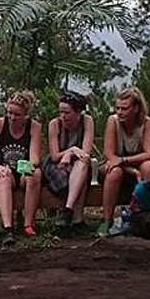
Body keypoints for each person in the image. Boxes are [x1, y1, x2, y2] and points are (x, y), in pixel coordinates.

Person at [0, 91, 43, 244]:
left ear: (25, 115)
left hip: (22, 169)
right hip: (2, 168)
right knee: (4, 177)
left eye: (17, 115)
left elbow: (35, 157)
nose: (12, 118)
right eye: (10, 113)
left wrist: (27, 167)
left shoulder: (34, 127)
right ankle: (8, 229)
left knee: (35, 175)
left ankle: (28, 224)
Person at [98, 87, 150, 235]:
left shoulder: (146, 122)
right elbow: (109, 155)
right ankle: (107, 220)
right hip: (115, 167)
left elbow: (149, 153)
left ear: (136, 108)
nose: (119, 112)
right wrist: (131, 170)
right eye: (117, 108)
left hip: (133, 163)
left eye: (124, 108)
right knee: (115, 172)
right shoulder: (113, 121)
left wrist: (124, 160)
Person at [41, 91, 94, 231]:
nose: (63, 116)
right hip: (55, 165)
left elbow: (85, 154)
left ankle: (68, 210)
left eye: (67, 112)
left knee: (82, 166)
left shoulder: (87, 121)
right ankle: (77, 219)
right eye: (60, 112)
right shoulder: (55, 124)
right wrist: (71, 151)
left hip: (78, 165)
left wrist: (73, 154)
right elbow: (54, 156)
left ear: (78, 112)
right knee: (78, 173)